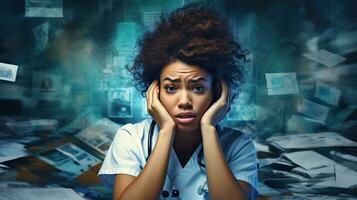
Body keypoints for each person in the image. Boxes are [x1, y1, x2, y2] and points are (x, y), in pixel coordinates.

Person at [98, 3, 258, 200]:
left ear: (217, 90)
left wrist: (208, 129)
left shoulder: (239, 145)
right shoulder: (131, 138)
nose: (184, 101)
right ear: (155, 90)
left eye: (198, 88)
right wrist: (166, 131)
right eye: (171, 88)